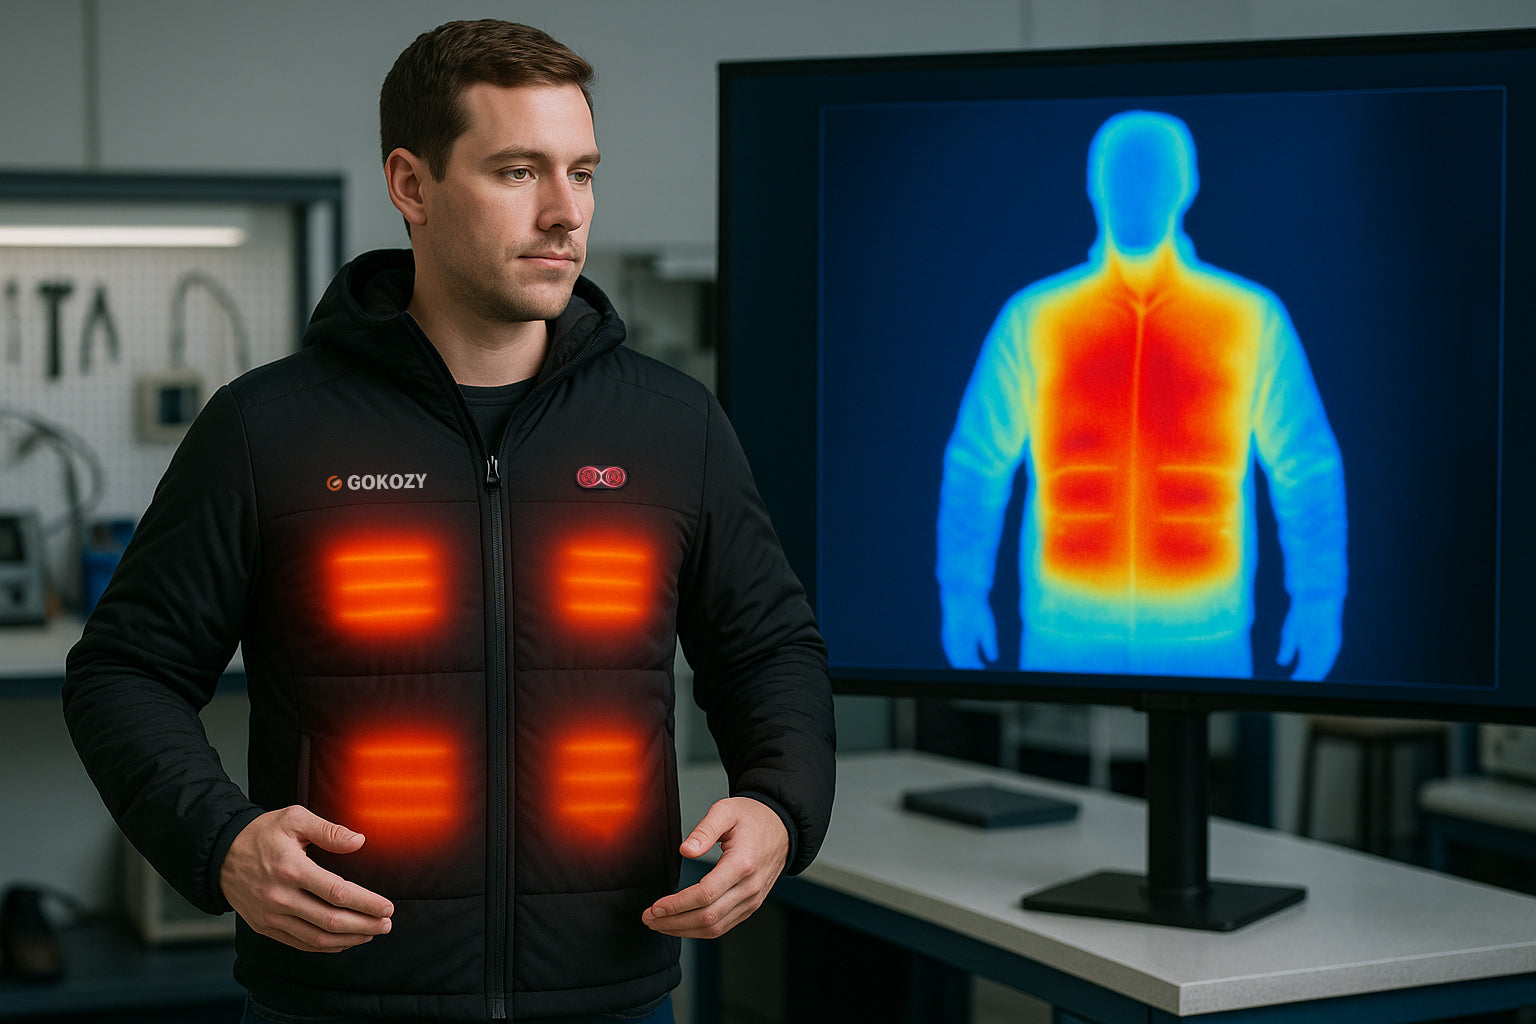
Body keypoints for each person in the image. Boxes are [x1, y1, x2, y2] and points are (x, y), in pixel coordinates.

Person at [62, 19, 835, 1024]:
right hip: (339, 999)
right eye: (518, 171)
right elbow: (126, 671)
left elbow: (769, 646)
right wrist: (220, 841)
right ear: (411, 185)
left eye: (584, 173)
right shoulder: (266, 430)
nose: (566, 212)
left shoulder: (673, 424)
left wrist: (780, 804)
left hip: (610, 995)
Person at [937, 110, 1347, 681]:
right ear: (1092, 183)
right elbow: (977, 462)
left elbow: (1306, 464)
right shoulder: (1035, 319)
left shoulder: (1249, 318)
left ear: (1188, 184)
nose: (1135, 191)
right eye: (1121, 175)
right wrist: (961, 592)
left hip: (1206, 639)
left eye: (1153, 175)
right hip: (1064, 639)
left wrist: (1319, 601)